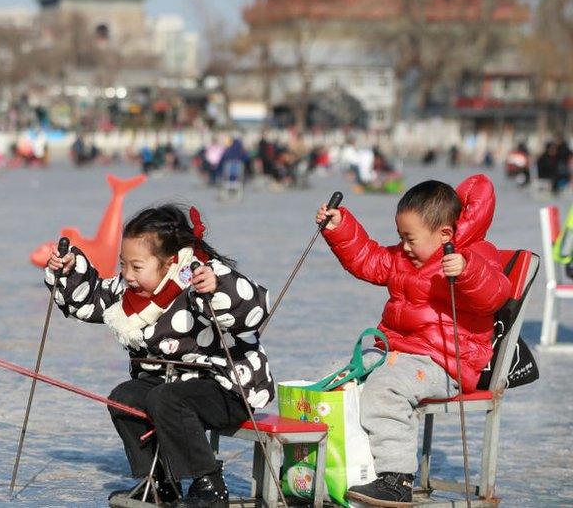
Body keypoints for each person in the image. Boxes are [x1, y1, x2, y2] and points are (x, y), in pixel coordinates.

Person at [46, 204, 272, 507]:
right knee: (125, 397)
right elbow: (90, 300)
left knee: (168, 399)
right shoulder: (129, 293)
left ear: (170, 263)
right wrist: (69, 272)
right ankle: (159, 482)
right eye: (123, 264)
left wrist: (217, 289)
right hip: (167, 385)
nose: (127, 275)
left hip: (227, 389)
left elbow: (252, 310)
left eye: (137, 267)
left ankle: (209, 485)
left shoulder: (199, 280)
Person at [315, 175, 511, 507]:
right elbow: (369, 260)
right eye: (400, 237)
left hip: (444, 363)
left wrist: (466, 271)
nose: (404, 247)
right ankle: (341, 466)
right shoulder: (404, 259)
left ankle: (396, 479)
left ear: (444, 234)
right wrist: (340, 226)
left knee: (386, 387)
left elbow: (494, 293)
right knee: (339, 376)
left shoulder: (473, 255)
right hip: (394, 352)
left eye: (410, 238)